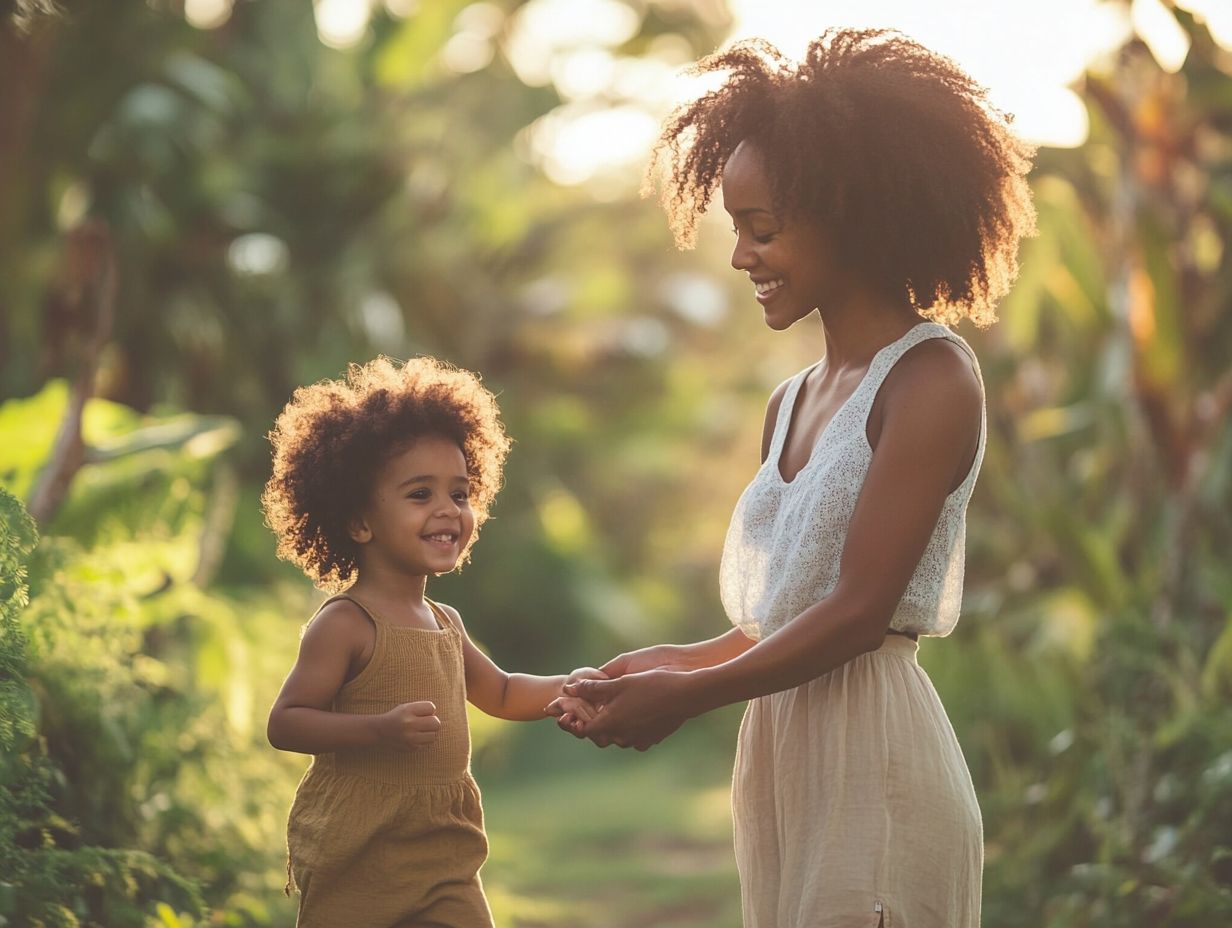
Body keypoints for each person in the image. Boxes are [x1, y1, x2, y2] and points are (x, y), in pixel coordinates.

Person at [550, 29, 1036, 928]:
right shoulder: (790, 402)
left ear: (855, 214)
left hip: (876, 768)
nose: (740, 257)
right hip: (784, 762)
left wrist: (685, 697)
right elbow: (788, 618)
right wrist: (665, 664)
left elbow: (857, 614)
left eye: (762, 228)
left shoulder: (931, 379)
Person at [263, 356, 599, 928]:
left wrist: (572, 687)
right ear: (359, 522)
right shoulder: (347, 623)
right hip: (359, 853)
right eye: (420, 494)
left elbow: (502, 691)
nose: (449, 510)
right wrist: (377, 730)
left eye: (461, 493)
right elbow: (287, 721)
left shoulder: (445, 621)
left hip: (443, 850)